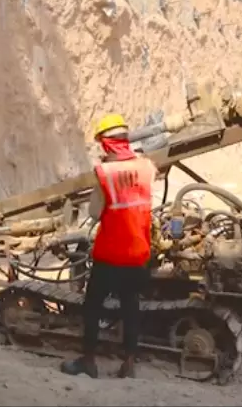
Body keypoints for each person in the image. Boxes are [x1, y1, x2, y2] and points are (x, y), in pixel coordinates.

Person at [61, 113, 157, 379]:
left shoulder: (105, 173)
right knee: (130, 307)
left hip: (110, 256)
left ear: (105, 144)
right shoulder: (147, 167)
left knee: (92, 306)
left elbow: (94, 212)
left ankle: (89, 361)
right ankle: (128, 363)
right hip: (138, 255)